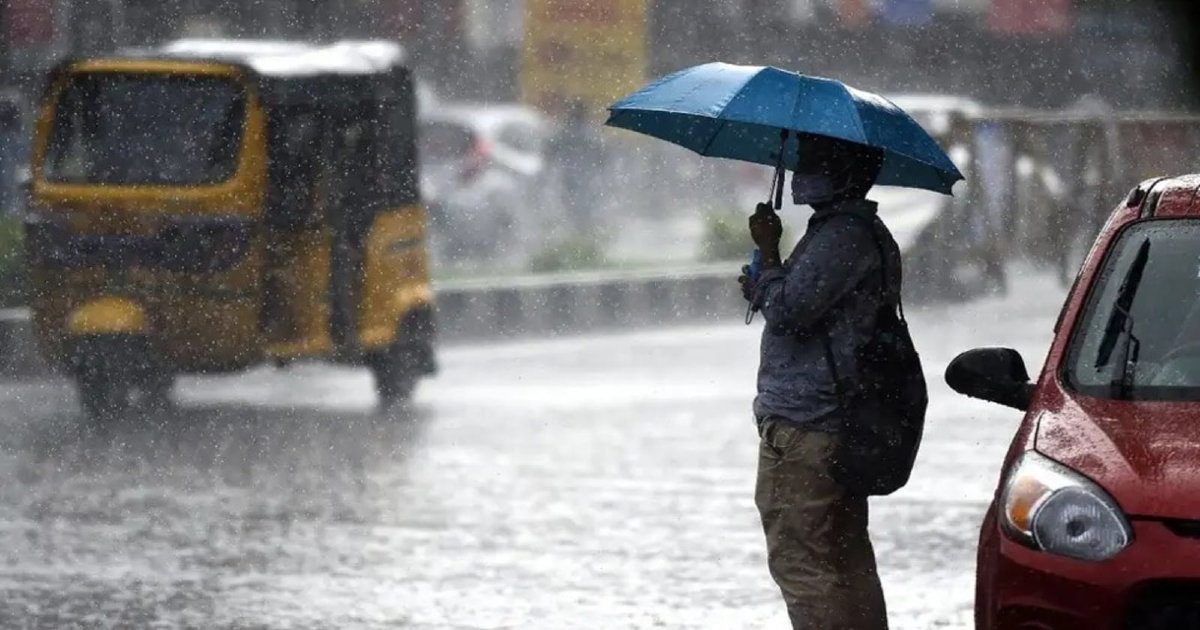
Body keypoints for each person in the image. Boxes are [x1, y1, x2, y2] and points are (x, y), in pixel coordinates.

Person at [737, 136, 898, 630]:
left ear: (842, 170)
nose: (804, 171)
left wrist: (767, 253)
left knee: (802, 560)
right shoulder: (849, 232)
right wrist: (769, 275)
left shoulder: (842, 236)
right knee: (844, 557)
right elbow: (801, 302)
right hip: (831, 418)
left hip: (810, 423)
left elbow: (790, 311)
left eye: (814, 161)